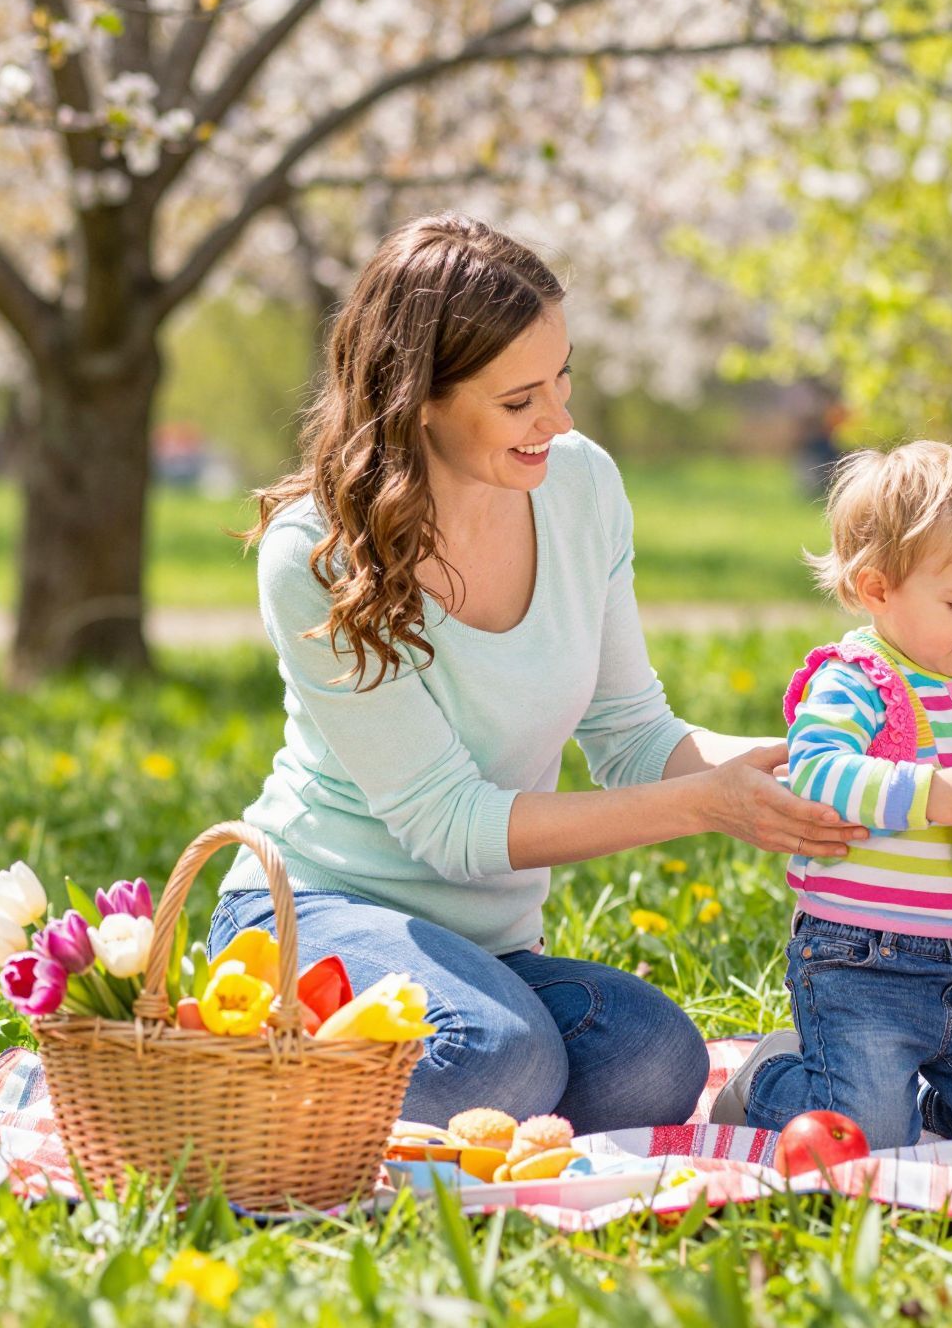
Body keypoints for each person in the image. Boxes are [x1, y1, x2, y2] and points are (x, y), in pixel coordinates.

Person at [215, 214, 868, 1130]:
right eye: (520, 400)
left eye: (562, 381)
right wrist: (704, 806)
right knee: (501, 1058)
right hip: (314, 919)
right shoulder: (316, 554)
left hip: (486, 949)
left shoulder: (579, 485)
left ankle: (418, 1082)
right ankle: (231, 1065)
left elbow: (631, 732)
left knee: (654, 1061)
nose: (557, 420)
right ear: (421, 400)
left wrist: (801, 767)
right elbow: (450, 825)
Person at [708, 443, 952, 1146]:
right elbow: (817, 769)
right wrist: (929, 793)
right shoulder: (858, 678)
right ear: (877, 591)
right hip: (858, 960)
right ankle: (769, 1083)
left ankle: (921, 1103)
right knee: (864, 1136)